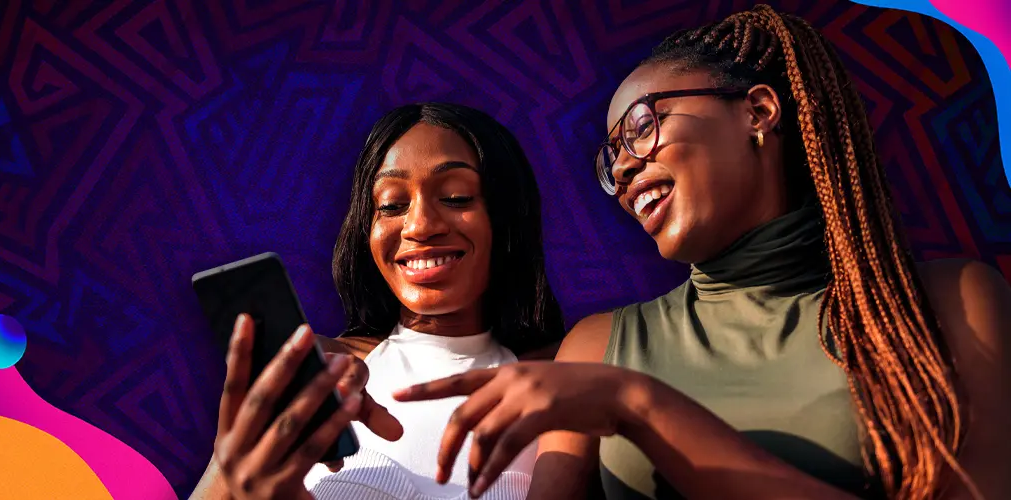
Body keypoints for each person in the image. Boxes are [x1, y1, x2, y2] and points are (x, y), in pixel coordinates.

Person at [392, 5, 1010, 500]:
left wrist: (639, 406)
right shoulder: (598, 345)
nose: (626, 169)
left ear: (758, 112)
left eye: (641, 127)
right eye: (610, 161)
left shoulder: (951, 304)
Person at [189, 102, 566, 500]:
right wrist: (230, 473)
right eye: (391, 205)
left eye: (455, 197)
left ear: (506, 215)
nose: (419, 225)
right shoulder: (321, 372)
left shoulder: (571, 372)